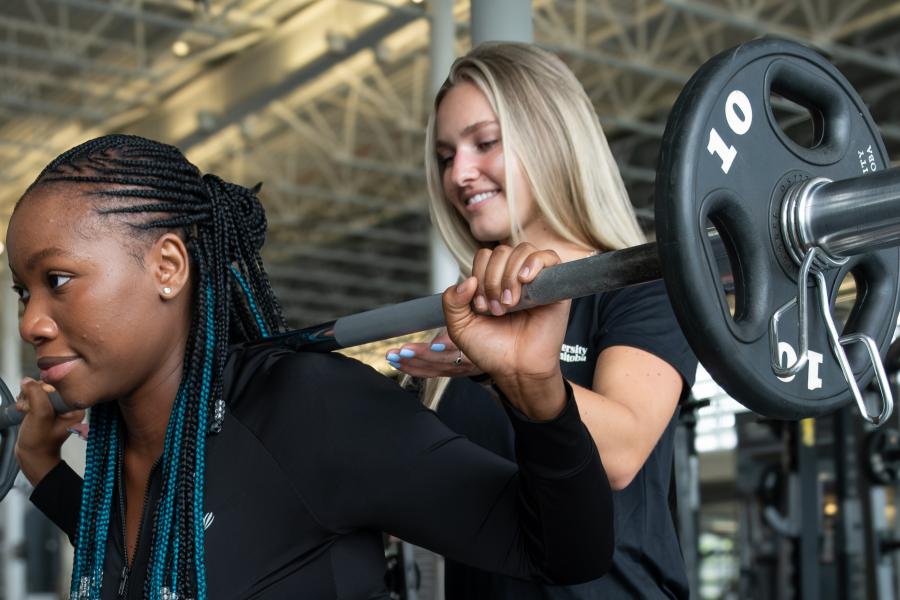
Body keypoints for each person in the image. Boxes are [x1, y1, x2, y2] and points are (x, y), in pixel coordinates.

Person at [8, 134, 616, 599]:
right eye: (22, 291)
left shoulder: (309, 408)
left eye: (56, 280)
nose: (30, 322)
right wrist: (39, 463)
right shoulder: (121, 447)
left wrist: (536, 392)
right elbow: (139, 564)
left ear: (167, 267)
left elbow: (563, 553)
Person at [385, 42, 699, 599]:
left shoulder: (637, 289)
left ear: (549, 138)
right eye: (444, 155)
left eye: (485, 143)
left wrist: (498, 374)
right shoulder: (461, 327)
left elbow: (623, 452)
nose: (459, 173)